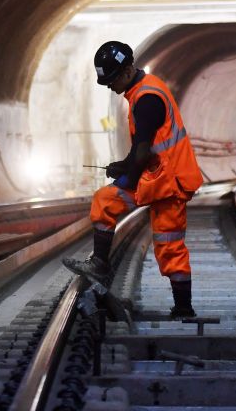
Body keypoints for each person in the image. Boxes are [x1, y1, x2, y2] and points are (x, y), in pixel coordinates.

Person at [64, 41, 204, 317]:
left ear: (128, 71)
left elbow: (142, 150)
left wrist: (128, 177)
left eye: (112, 80)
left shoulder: (148, 99)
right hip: (156, 177)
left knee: (169, 244)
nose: (110, 87)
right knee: (104, 201)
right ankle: (99, 263)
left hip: (170, 183)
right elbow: (142, 145)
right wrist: (124, 166)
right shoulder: (141, 91)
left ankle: (184, 308)